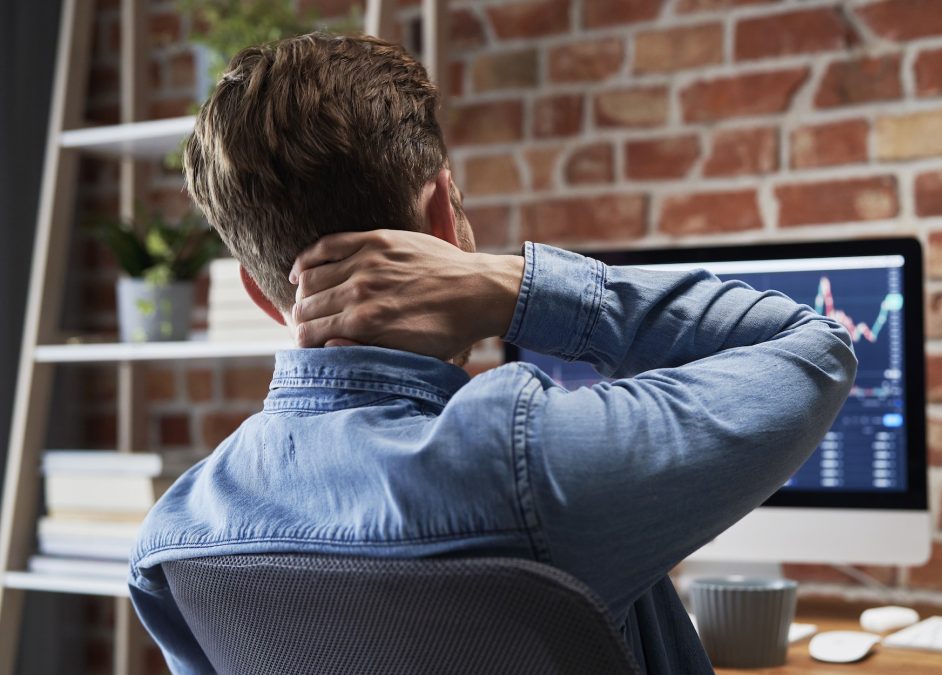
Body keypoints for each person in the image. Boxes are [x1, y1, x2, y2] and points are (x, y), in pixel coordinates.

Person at [129, 32, 857, 674]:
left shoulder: (172, 539)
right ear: (443, 214)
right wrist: (511, 283)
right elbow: (813, 343)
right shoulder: (525, 460)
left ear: (262, 297)